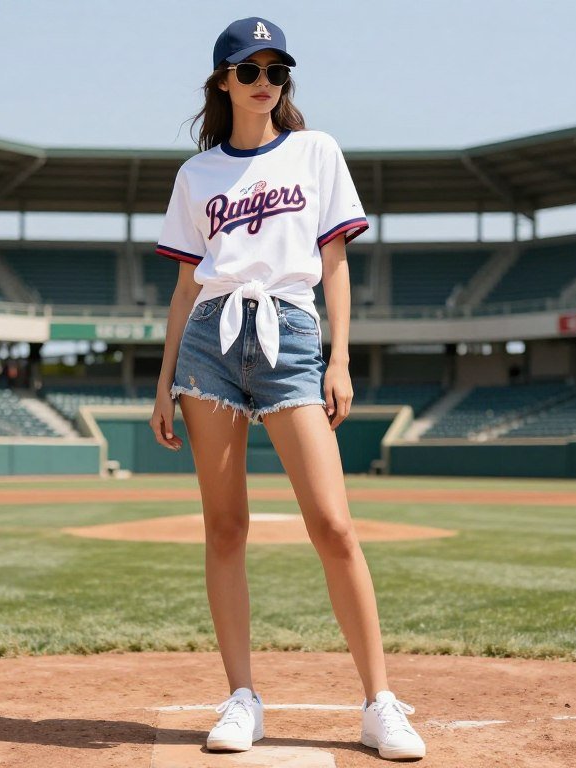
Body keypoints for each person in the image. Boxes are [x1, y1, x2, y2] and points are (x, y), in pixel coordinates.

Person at [149, 16, 426, 762]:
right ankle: (242, 697)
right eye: (250, 71)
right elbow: (183, 285)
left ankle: (379, 702)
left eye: (276, 71)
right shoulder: (196, 175)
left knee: (333, 525)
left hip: (292, 338)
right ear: (222, 82)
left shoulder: (316, 151)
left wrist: (339, 360)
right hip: (209, 342)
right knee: (225, 526)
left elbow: (334, 262)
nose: (265, 83)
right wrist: (164, 377)